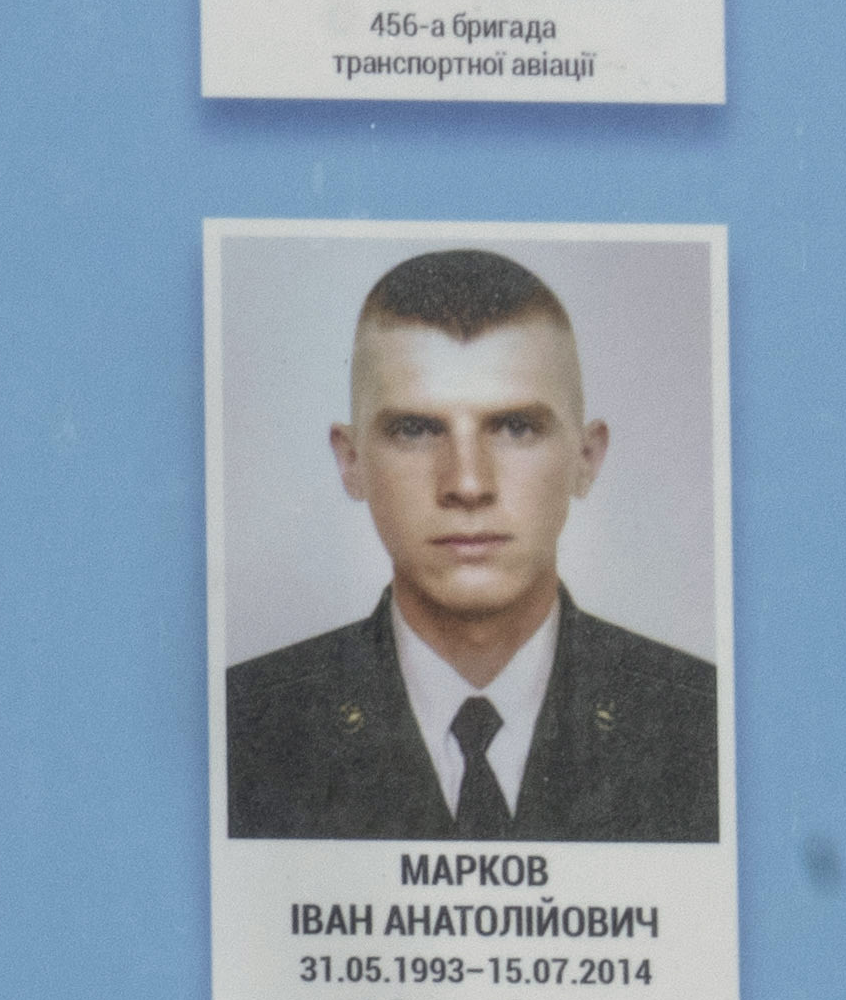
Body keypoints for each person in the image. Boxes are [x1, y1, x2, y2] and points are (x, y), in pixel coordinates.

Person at [217, 246, 713, 843]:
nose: (468, 484)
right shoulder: (239, 731)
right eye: (415, 430)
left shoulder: (704, 726)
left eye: (516, 427)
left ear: (585, 459)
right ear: (351, 462)